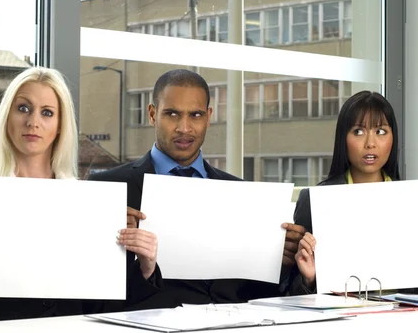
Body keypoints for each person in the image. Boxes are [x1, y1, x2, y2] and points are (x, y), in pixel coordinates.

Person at [0, 67, 159, 320]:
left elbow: (107, 307)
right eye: (23, 108)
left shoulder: (89, 206)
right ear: (6, 117)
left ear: (60, 126)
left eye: (47, 112)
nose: (33, 122)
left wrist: (146, 267)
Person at [89, 68, 304, 309]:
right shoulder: (107, 190)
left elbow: (258, 293)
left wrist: (281, 263)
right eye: (172, 114)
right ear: (152, 114)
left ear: (209, 116)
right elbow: (91, 297)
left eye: (196, 115)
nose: (184, 127)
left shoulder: (241, 194)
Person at [289, 90, 418, 295]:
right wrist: (309, 279)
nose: (370, 143)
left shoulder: (416, 202)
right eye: (358, 131)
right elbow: (288, 293)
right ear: (342, 139)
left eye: (380, 131)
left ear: (393, 138)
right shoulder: (314, 201)